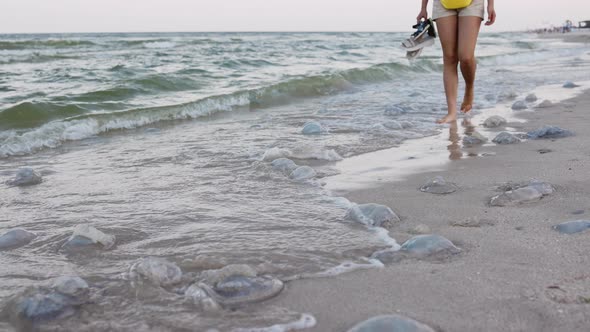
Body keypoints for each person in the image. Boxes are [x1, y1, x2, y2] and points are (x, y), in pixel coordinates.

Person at [417, 0, 496, 124]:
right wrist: (423, 7)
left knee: (466, 56)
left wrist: (490, 5)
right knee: (449, 57)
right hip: (442, 3)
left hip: (472, 3)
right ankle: (451, 113)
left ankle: (469, 89)